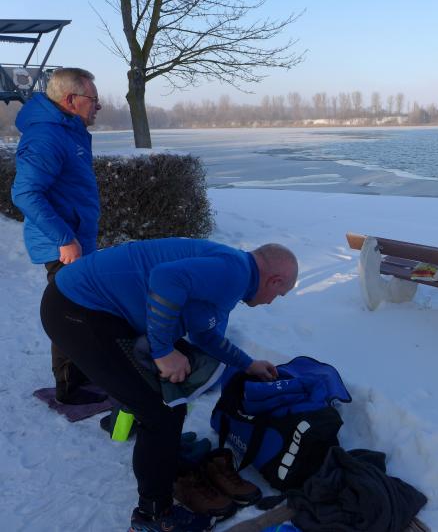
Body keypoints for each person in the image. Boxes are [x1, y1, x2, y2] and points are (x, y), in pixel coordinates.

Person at [39, 237, 298, 531]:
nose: (272, 301)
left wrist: (248, 364)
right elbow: (165, 278)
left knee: (171, 402)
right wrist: (163, 351)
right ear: (275, 280)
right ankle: (153, 516)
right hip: (76, 308)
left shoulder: (235, 273)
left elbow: (205, 336)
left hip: (88, 306)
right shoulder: (234, 273)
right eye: (279, 294)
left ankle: (168, 466)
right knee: (158, 412)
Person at [11, 67, 104, 404]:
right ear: (70, 100)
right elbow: (25, 193)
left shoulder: (67, 132)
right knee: (70, 313)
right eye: (93, 99)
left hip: (75, 239)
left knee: (83, 308)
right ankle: (70, 388)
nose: (98, 106)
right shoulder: (47, 136)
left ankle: (82, 375)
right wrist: (64, 238)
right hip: (64, 245)